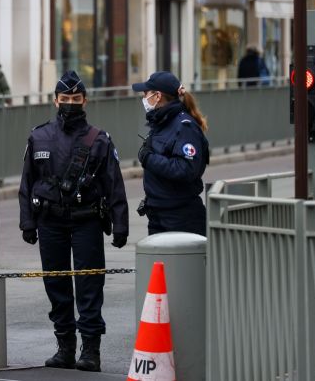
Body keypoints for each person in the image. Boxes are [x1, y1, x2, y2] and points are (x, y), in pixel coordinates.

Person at [18, 71, 129, 372]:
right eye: (64, 99)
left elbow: (113, 183)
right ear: (55, 100)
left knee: (89, 283)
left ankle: (91, 350)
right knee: (55, 283)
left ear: (85, 101)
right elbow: (27, 183)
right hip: (49, 221)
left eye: (75, 99)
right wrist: (27, 222)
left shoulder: (99, 139)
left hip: (86, 221)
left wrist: (120, 224)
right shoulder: (38, 136)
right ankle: (65, 346)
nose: (69, 103)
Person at [132, 71, 210, 236]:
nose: (144, 98)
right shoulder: (161, 121)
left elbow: (185, 169)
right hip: (157, 213)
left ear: (157, 96)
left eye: (146, 93)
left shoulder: (184, 126)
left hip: (181, 217)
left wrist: (148, 158)